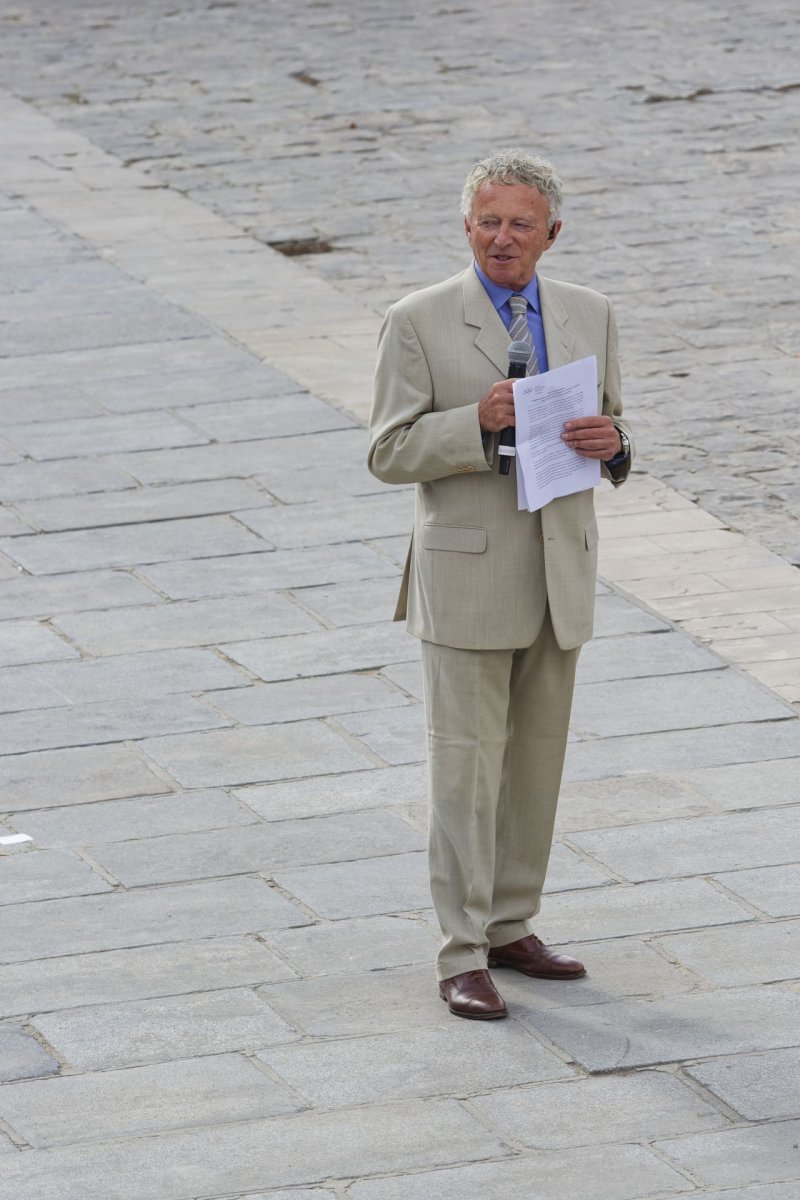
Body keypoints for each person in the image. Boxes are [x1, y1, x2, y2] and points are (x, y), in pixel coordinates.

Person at [368, 149, 633, 1020]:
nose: (502, 238)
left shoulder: (592, 313)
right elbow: (388, 452)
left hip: (561, 569)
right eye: (489, 220)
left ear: (552, 234)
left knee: (534, 767)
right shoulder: (416, 320)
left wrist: (616, 447)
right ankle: (461, 950)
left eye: (522, 223)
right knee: (464, 772)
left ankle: (514, 924)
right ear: (465, 225)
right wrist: (470, 423)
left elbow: (616, 422)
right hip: (467, 576)